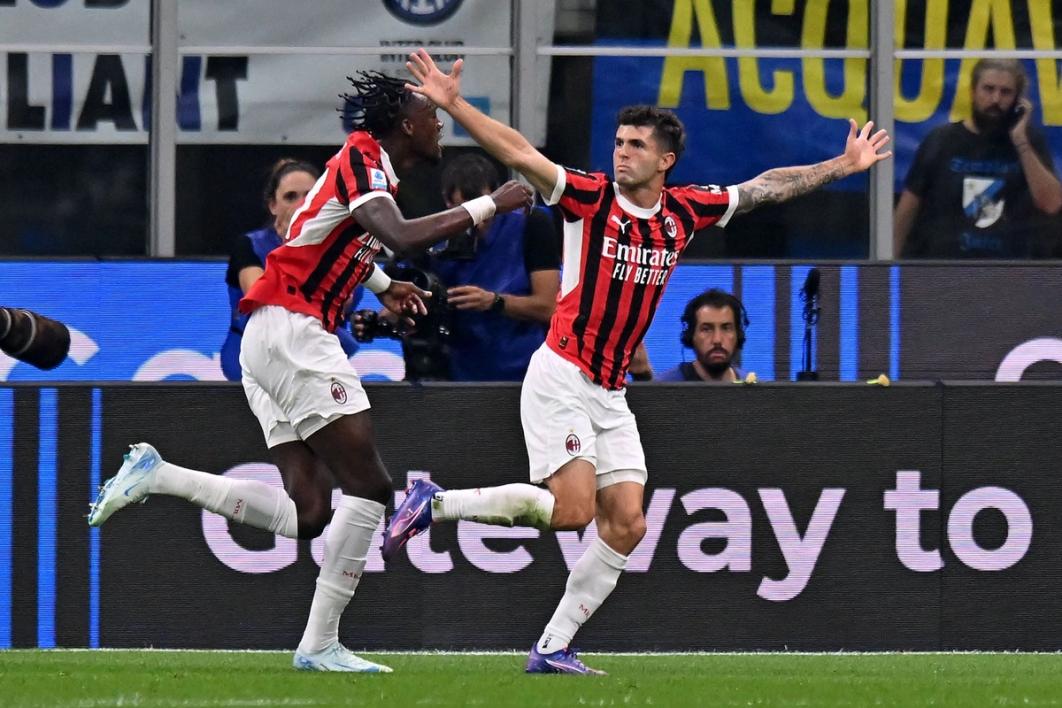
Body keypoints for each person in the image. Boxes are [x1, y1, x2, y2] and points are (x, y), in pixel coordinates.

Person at [382, 48, 892, 675]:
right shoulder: (590, 198)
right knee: (571, 512)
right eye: (619, 141)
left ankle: (552, 647)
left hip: (611, 391)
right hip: (562, 374)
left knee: (626, 524)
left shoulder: (685, 211)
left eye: (635, 146)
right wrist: (454, 104)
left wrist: (843, 163)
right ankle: (433, 502)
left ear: (665, 161)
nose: (621, 152)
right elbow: (518, 153)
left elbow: (765, 186)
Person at [87, 70, 533, 672]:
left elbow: (318, 235)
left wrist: (384, 284)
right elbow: (398, 235)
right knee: (373, 488)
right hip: (295, 332)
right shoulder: (364, 161)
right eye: (432, 114)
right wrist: (489, 204)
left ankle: (158, 474)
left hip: (270, 338)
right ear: (406, 123)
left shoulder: (365, 169)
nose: (440, 123)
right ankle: (320, 645)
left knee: (310, 513)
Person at [373, 152, 561, 381]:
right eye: (467, 210)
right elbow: (412, 304)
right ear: (447, 201)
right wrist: (386, 319)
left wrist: (494, 301)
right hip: (455, 375)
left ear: (498, 198)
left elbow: (548, 307)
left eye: (484, 209)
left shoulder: (532, 225)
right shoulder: (433, 237)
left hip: (524, 374)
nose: (476, 220)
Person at [894, 58, 1062, 258]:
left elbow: (1052, 203)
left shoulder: (1028, 142)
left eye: (1006, 92)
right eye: (988, 89)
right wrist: (888, 271)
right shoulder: (941, 140)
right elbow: (907, 211)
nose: (995, 99)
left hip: (1010, 273)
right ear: (973, 92)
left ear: (1018, 100)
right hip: (943, 270)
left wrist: (1020, 141)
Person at [221, 158, 361, 381]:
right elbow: (263, 299)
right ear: (273, 205)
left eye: (309, 195)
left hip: (318, 359)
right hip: (257, 358)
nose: (302, 203)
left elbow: (341, 302)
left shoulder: (345, 246)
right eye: (290, 197)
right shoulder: (249, 246)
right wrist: (293, 245)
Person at [657, 288, 747, 382]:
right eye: (706, 329)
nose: (717, 340)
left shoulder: (753, 390)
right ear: (691, 335)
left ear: (738, 334)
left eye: (726, 328)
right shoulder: (665, 386)